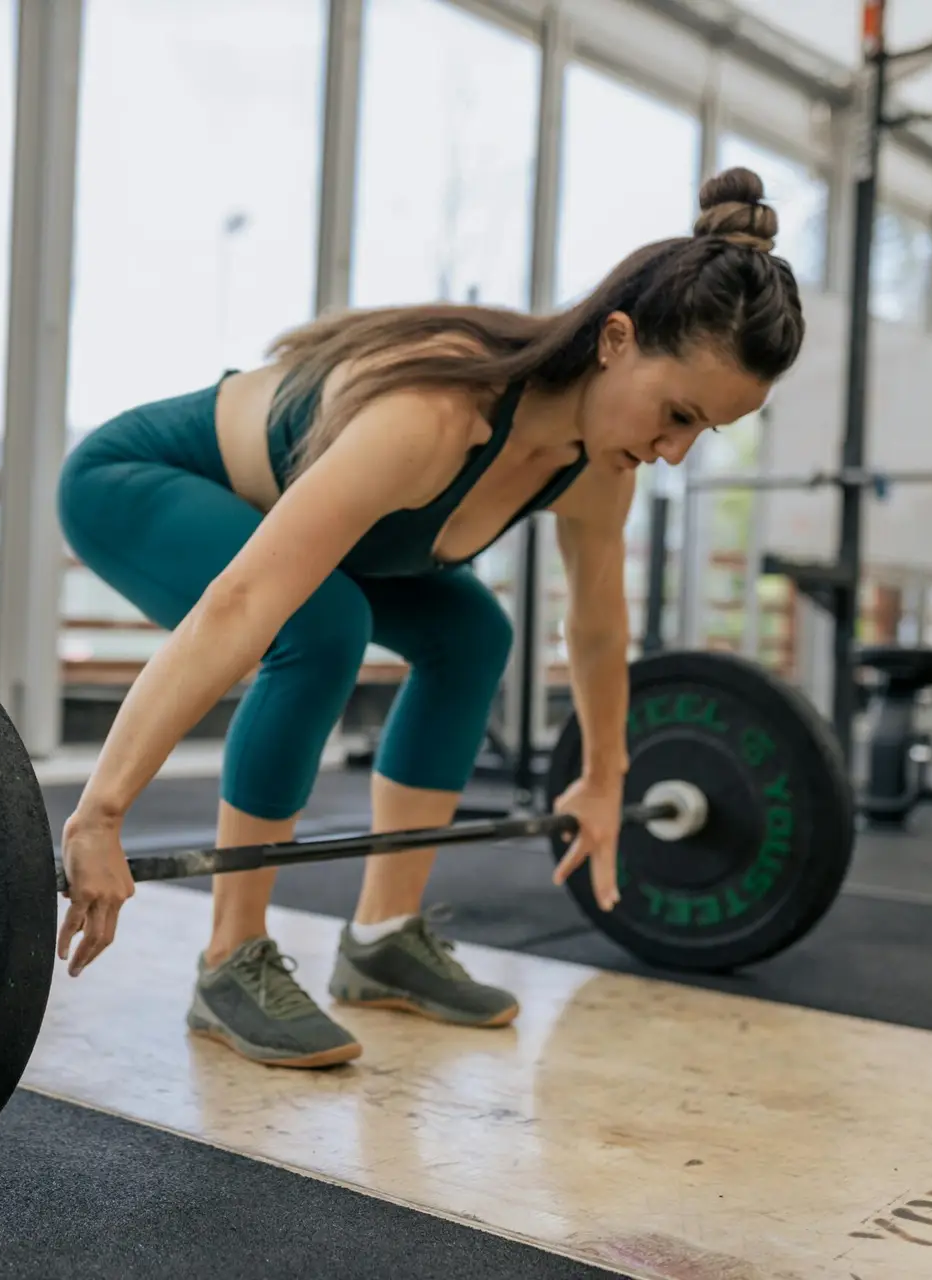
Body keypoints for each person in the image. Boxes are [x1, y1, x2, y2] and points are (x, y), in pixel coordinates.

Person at [53, 167, 804, 1069]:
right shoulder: (438, 419)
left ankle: (383, 939)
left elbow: (599, 627)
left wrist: (605, 775)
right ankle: (229, 959)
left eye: (703, 433)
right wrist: (101, 813)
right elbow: (246, 600)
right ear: (615, 339)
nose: (675, 453)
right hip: (142, 483)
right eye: (676, 414)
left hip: (325, 539)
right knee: (318, 627)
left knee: (472, 635)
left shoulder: (603, 467)